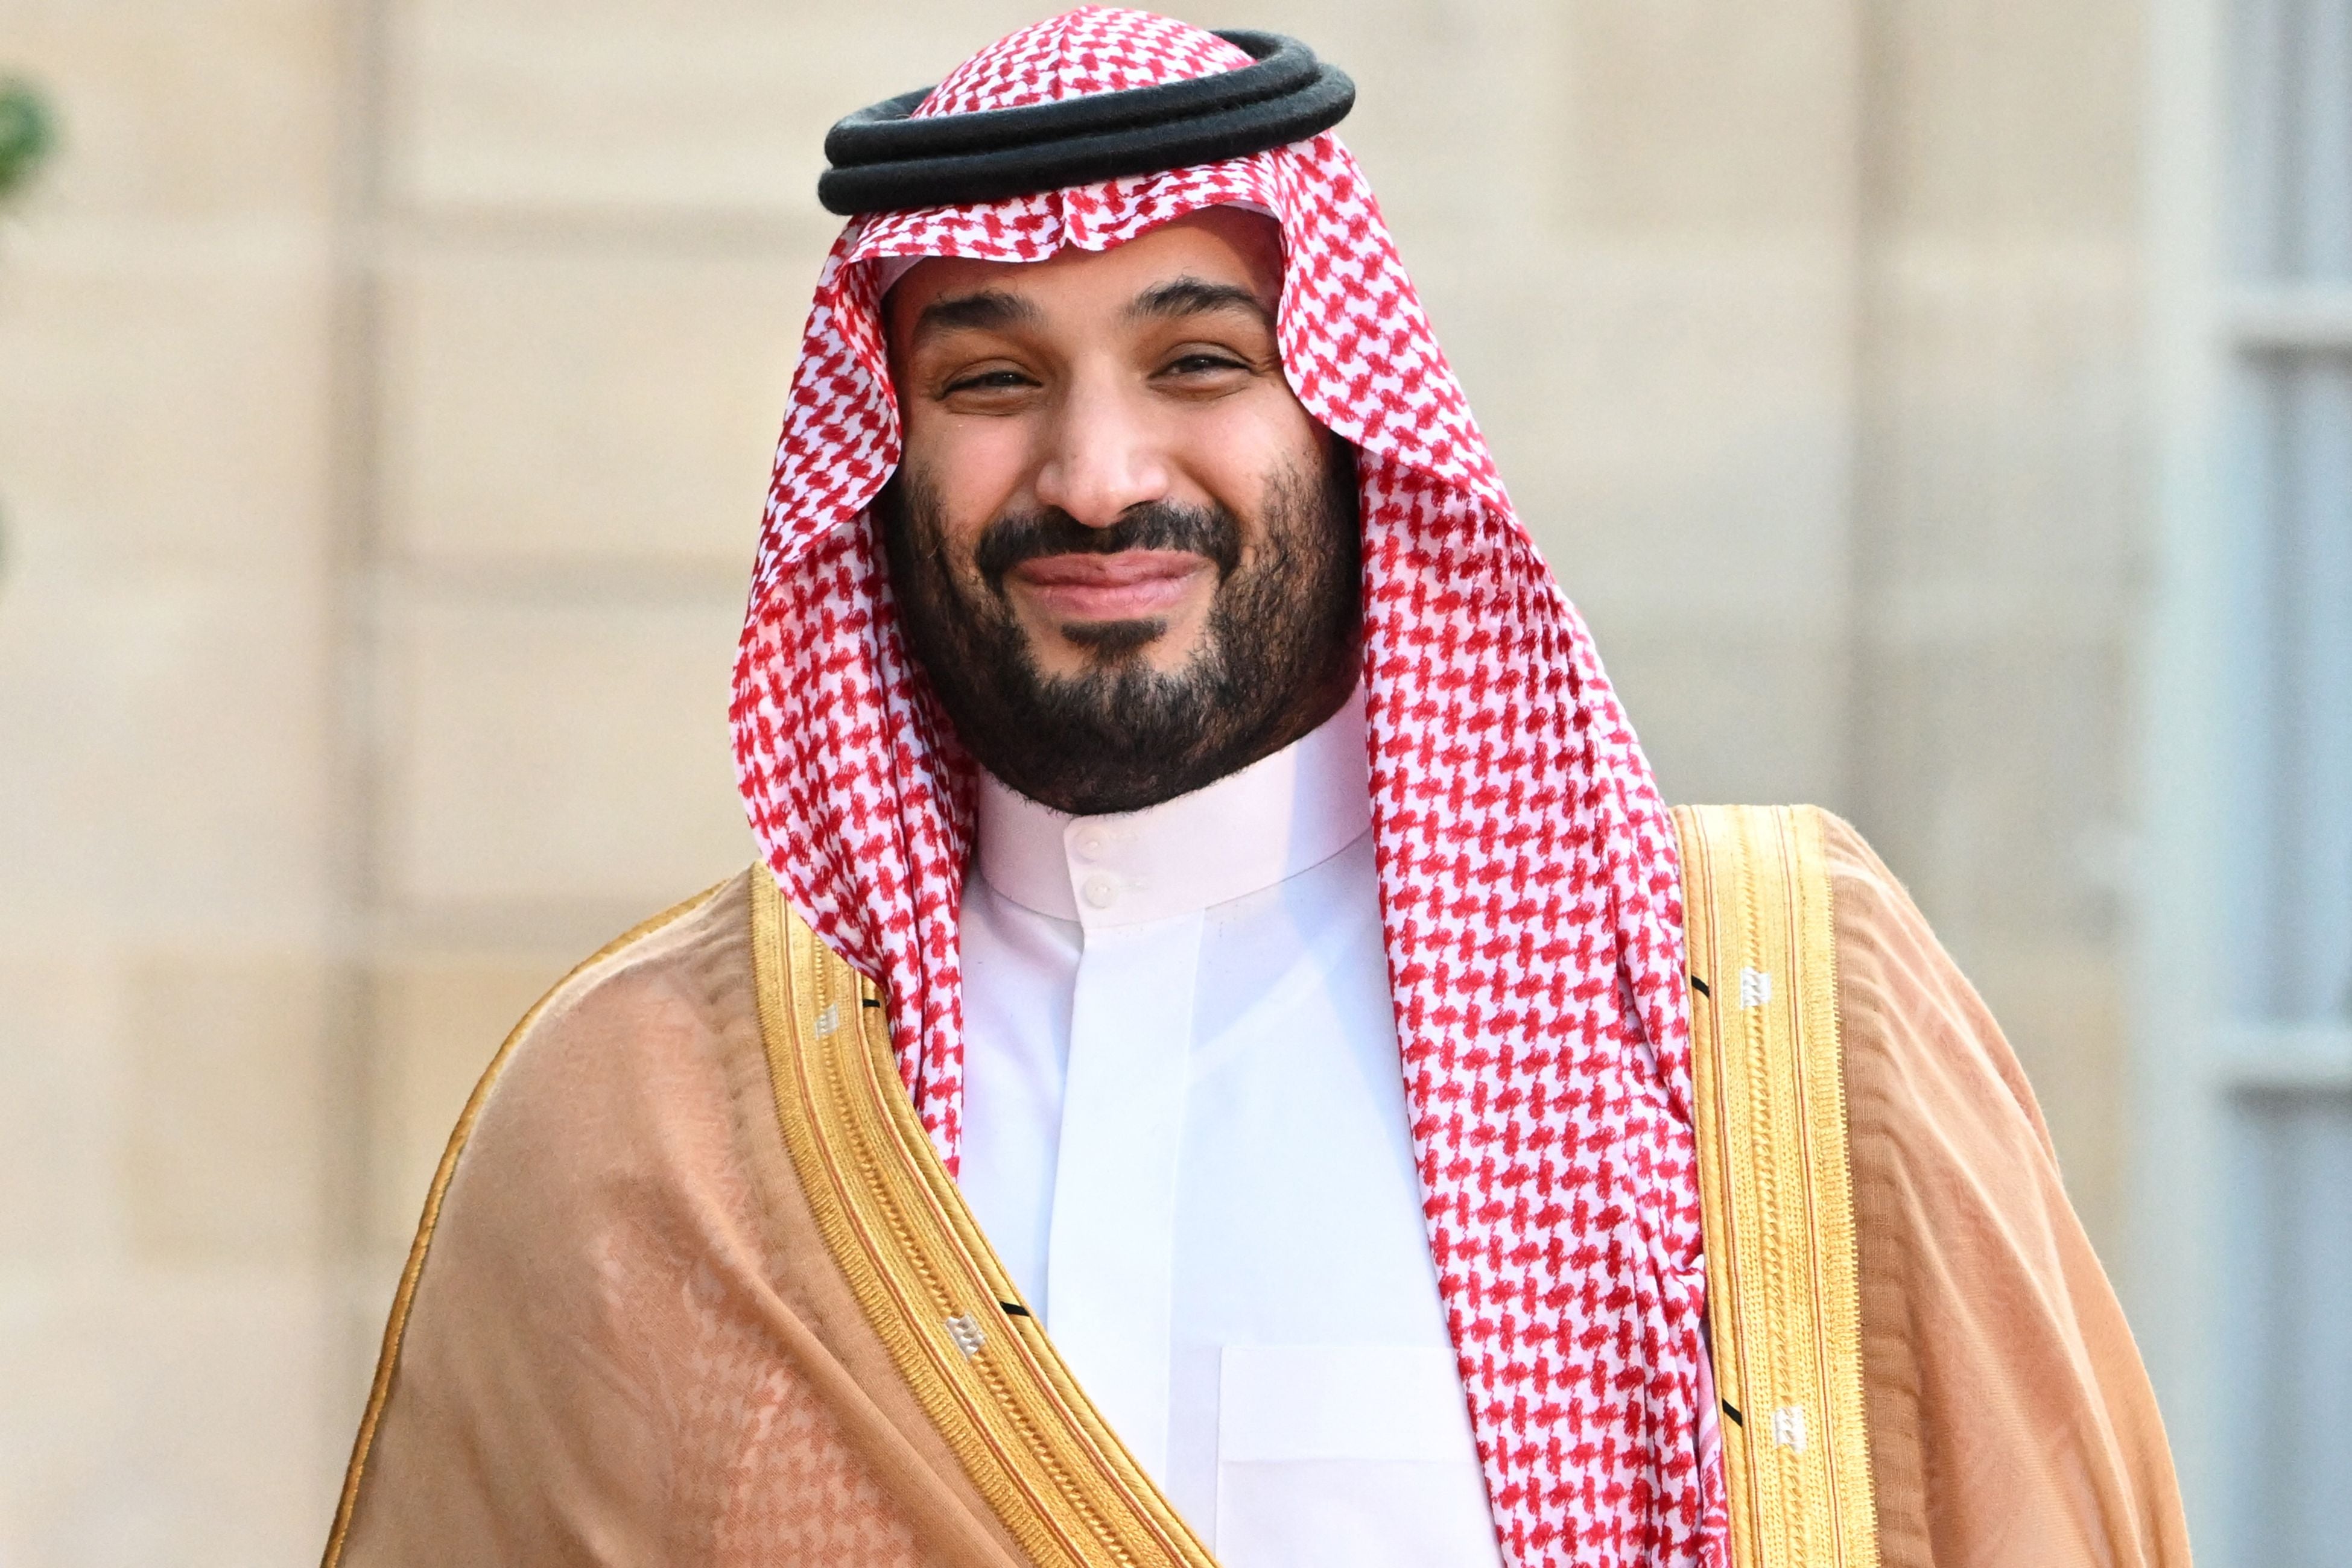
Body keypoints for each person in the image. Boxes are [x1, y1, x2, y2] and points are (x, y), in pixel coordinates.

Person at [321, 11, 2190, 1568]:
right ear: (876, 458)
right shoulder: (645, 1116)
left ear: (1354, 423)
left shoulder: (1763, 1013)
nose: (1096, 471)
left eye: (1199, 361)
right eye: (987, 382)